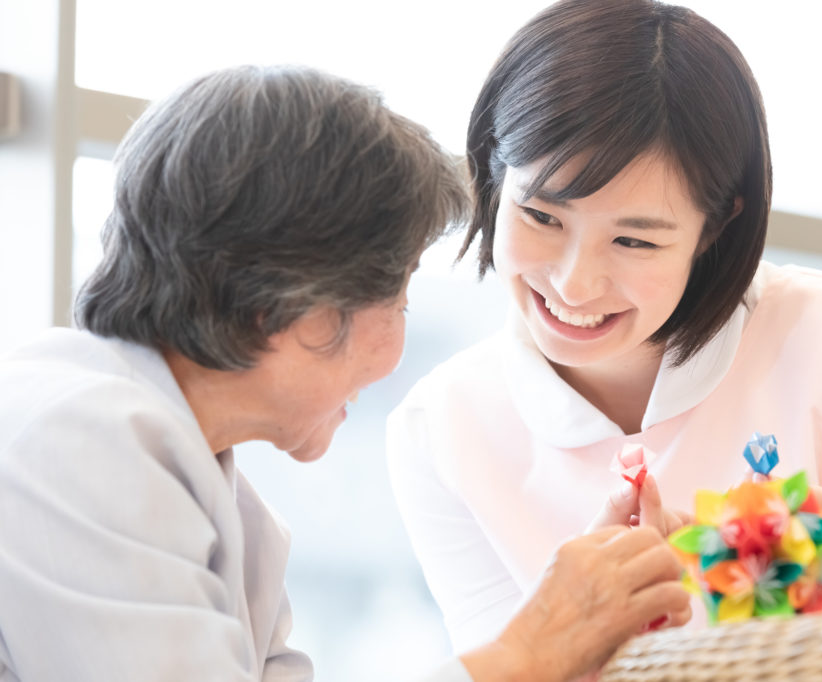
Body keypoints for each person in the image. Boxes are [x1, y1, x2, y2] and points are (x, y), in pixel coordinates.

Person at [0, 65, 691, 682]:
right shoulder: (79, 437)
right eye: (400, 295)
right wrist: (530, 650)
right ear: (297, 305)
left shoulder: (225, 503)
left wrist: (570, 636)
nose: (397, 346)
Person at [386, 0, 822, 654]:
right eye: (542, 218)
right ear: (493, 178)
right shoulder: (441, 427)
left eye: (634, 242)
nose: (575, 284)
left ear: (715, 227)